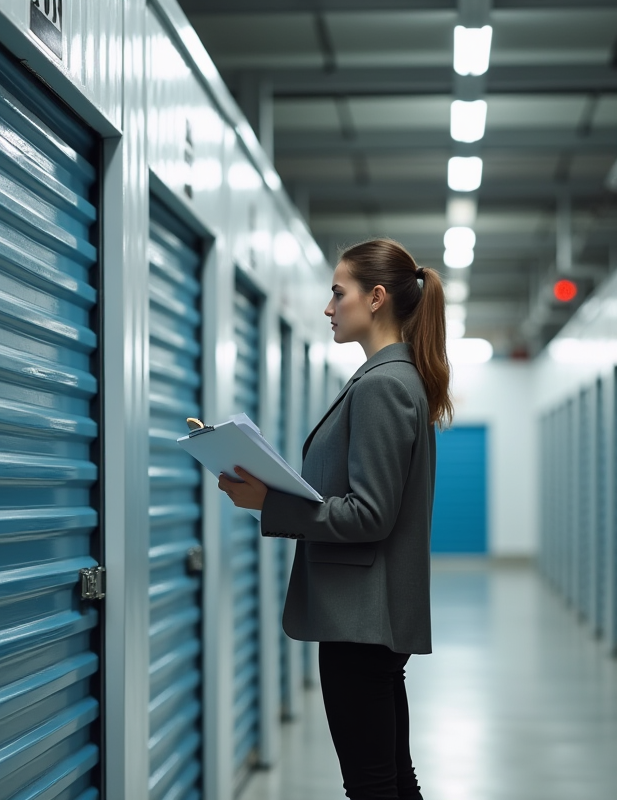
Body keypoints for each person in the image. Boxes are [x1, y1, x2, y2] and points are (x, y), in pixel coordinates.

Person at [217, 238, 451, 800]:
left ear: (374, 298)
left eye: (336, 293)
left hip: (360, 621)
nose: (327, 308)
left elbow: (371, 514)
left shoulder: (384, 386)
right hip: (370, 618)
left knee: (371, 785)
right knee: (392, 778)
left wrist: (268, 503)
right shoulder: (392, 380)